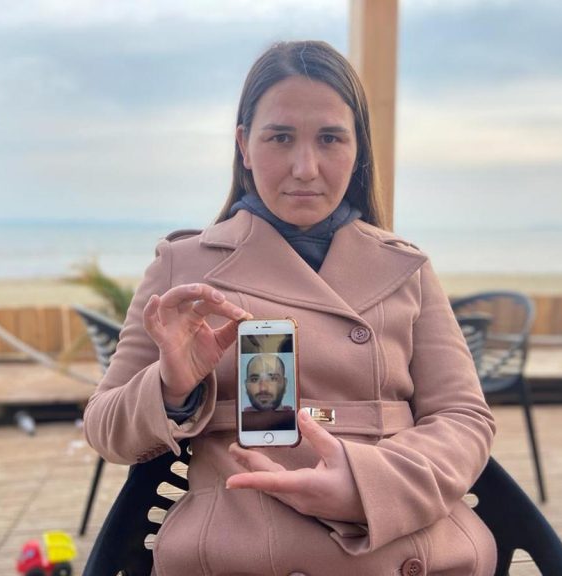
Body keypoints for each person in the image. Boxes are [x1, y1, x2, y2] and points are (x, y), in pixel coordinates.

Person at [84, 40, 496, 576]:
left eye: (330, 138)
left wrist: (366, 485)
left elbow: (464, 418)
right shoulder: (184, 265)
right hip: (241, 555)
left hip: (402, 540)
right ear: (244, 146)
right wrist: (171, 388)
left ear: (358, 149)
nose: (305, 168)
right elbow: (104, 428)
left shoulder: (406, 268)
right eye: (280, 138)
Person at [242, 353, 295, 432]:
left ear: (285, 384)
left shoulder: (295, 420)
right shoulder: (240, 422)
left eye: (273, 379)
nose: (263, 388)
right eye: (254, 379)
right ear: (246, 386)